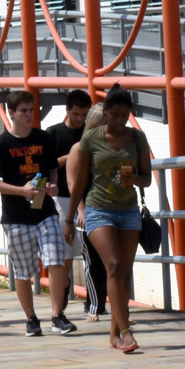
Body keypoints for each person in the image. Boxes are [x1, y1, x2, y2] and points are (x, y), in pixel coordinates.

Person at [64, 84, 151, 353]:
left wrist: (133, 179)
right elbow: (80, 182)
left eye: (124, 116)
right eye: (115, 116)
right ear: (106, 112)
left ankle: (114, 335)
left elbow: (146, 179)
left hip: (128, 210)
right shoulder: (91, 139)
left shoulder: (137, 138)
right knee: (113, 264)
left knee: (123, 273)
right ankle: (125, 331)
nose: (119, 121)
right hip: (98, 209)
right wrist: (70, 219)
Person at [0, 90, 75, 338]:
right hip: (16, 217)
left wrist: (52, 186)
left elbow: (51, 167)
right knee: (24, 270)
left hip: (45, 211)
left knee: (56, 260)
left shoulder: (43, 138)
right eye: (23, 111)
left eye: (30, 110)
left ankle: (57, 315)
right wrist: (20, 190)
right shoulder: (1, 145)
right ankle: (31, 318)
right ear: (11, 113)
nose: (28, 115)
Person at [46, 90, 93, 315]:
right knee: (64, 255)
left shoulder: (90, 131)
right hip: (63, 199)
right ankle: (62, 294)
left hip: (90, 197)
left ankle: (93, 301)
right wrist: (74, 155)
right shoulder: (53, 133)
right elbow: (47, 165)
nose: (80, 119)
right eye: (76, 114)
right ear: (67, 110)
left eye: (84, 114)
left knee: (91, 252)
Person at [65, 103, 109, 321]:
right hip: (90, 210)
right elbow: (74, 184)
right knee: (92, 261)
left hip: (112, 208)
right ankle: (94, 305)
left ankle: (119, 307)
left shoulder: (115, 146)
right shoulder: (79, 148)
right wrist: (79, 210)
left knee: (116, 263)